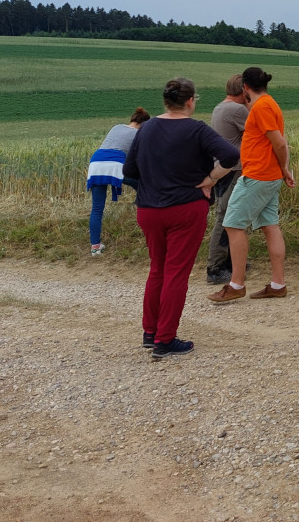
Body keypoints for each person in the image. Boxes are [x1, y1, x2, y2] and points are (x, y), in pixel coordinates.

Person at [123, 79, 239, 359]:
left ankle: (150, 333)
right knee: (176, 273)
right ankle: (165, 338)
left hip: (149, 210)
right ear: (190, 101)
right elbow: (231, 154)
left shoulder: (147, 128)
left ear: (165, 101)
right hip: (185, 208)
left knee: (157, 270)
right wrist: (210, 179)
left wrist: (152, 186)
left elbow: (129, 170)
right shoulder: (196, 128)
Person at [208, 67, 295, 303]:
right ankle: (277, 284)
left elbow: (278, 142)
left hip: (258, 176)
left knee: (233, 224)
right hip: (268, 175)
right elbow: (278, 141)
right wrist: (282, 169)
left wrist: (285, 167)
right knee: (269, 226)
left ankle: (236, 284)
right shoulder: (268, 104)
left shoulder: (262, 107)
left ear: (245, 87)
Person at [85, 107, 150, 256]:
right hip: (115, 164)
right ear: (144, 123)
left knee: (97, 208)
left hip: (96, 163)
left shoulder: (117, 127)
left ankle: (95, 247)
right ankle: (148, 224)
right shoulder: (139, 133)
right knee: (142, 187)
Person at [205, 74, 248, 284]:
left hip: (221, 167)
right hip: (233, 168)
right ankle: (215, 267)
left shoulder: (221, 106)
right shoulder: (238, 109)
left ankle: (231, 261)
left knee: (229, 215)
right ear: (244, 91)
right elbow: (258, 129)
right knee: (227, 217)